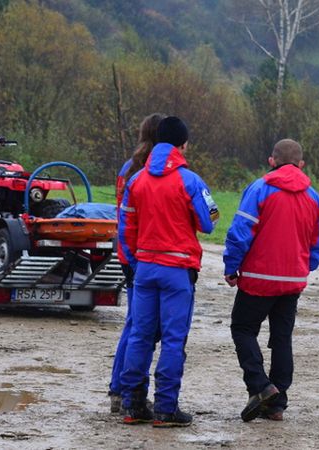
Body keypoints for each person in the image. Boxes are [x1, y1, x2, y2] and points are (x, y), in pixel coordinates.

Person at [118, 116, 219, 427]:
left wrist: (137, 263)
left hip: (145, 268)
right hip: (177, 270)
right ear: (183, 144)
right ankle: (165, 408)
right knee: (174, 340)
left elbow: (125, 229)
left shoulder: (136, 180)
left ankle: (133, 405)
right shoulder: (190, 180)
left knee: (140, 336)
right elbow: (209, 222)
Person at [223, 138, 319, 422]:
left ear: (272, 161)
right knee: (282, 339)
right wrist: (301, 267)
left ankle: (260, 386)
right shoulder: (315, 199)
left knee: (243, 329)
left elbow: (240, 232)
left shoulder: (259, 189)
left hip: (258, 279)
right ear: (301, 165)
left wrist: (232, 267)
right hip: (292, 281)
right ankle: (277, 404)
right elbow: (318, 247)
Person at [108, 112, 166, 414]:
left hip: (128, 252)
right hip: (146, 254)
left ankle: (121, 389)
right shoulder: (152, 171)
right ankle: (122, 389)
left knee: (136, 323)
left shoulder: (128, 167)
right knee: (139, 326)